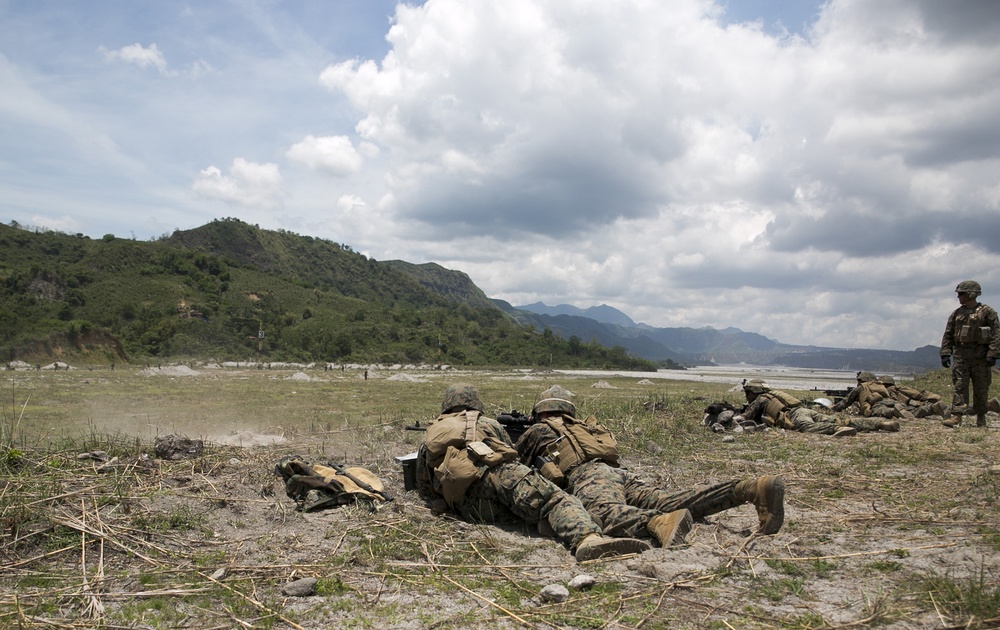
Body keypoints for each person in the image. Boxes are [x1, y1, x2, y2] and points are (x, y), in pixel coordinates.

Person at [515, 386, 786, 547]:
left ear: (540, 412)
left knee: (602, 513)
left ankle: (657, 523)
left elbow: (518, 470)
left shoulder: (538, 430)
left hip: (588, 476)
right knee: (673, 500)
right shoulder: (584, 427)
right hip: (618, 474)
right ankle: (748, 488)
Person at [415, 383, 651, 562]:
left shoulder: (433, 431)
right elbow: (512, 455)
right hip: (501, 475)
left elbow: (424, 485)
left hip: (467, 504)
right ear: (477, 404)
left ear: (446, 405)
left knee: (515, 511)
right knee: (554, 500)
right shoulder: (489, 424)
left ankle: (547, 524)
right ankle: (586, 539)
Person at [737, 380, 898, 436]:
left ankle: (837, 429)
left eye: (748, 392)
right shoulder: (774, 394)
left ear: (755, 391)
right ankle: (880, 424)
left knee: (806, 427)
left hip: (795, 414)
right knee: (839, 418)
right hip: (806, 410)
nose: (747, 396)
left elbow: (745, 418)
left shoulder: (760, 399)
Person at [940, 280, 1000, 428]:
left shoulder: (988, 312)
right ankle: (957, 416)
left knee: (981, 387)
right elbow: (948, 334)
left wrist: (993, 353)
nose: (958, 297)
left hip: (981, 356)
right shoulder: (957, 314)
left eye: (961, 293)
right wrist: (945, 353)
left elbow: (996, 334)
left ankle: (981, 417)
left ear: (971, 294)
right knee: (960, 385)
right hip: (961, 355)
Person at [831, 372, 916, 420]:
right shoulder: (880, 385)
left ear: (862, 380)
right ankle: (927, 409)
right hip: (891, 401)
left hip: (876, 404)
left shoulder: (861, 387)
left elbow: (845, 402)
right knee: (912, 410)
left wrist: (832, 409)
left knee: (880, 411)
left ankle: (893, 412)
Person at [877, 374, 946, 418]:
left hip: (893, 405)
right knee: (917, 410)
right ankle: (933, 407)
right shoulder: (899, 388)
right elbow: (917, 394)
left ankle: (894, 412)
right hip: (909, 403)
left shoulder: (881, 390)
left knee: (880, 410)